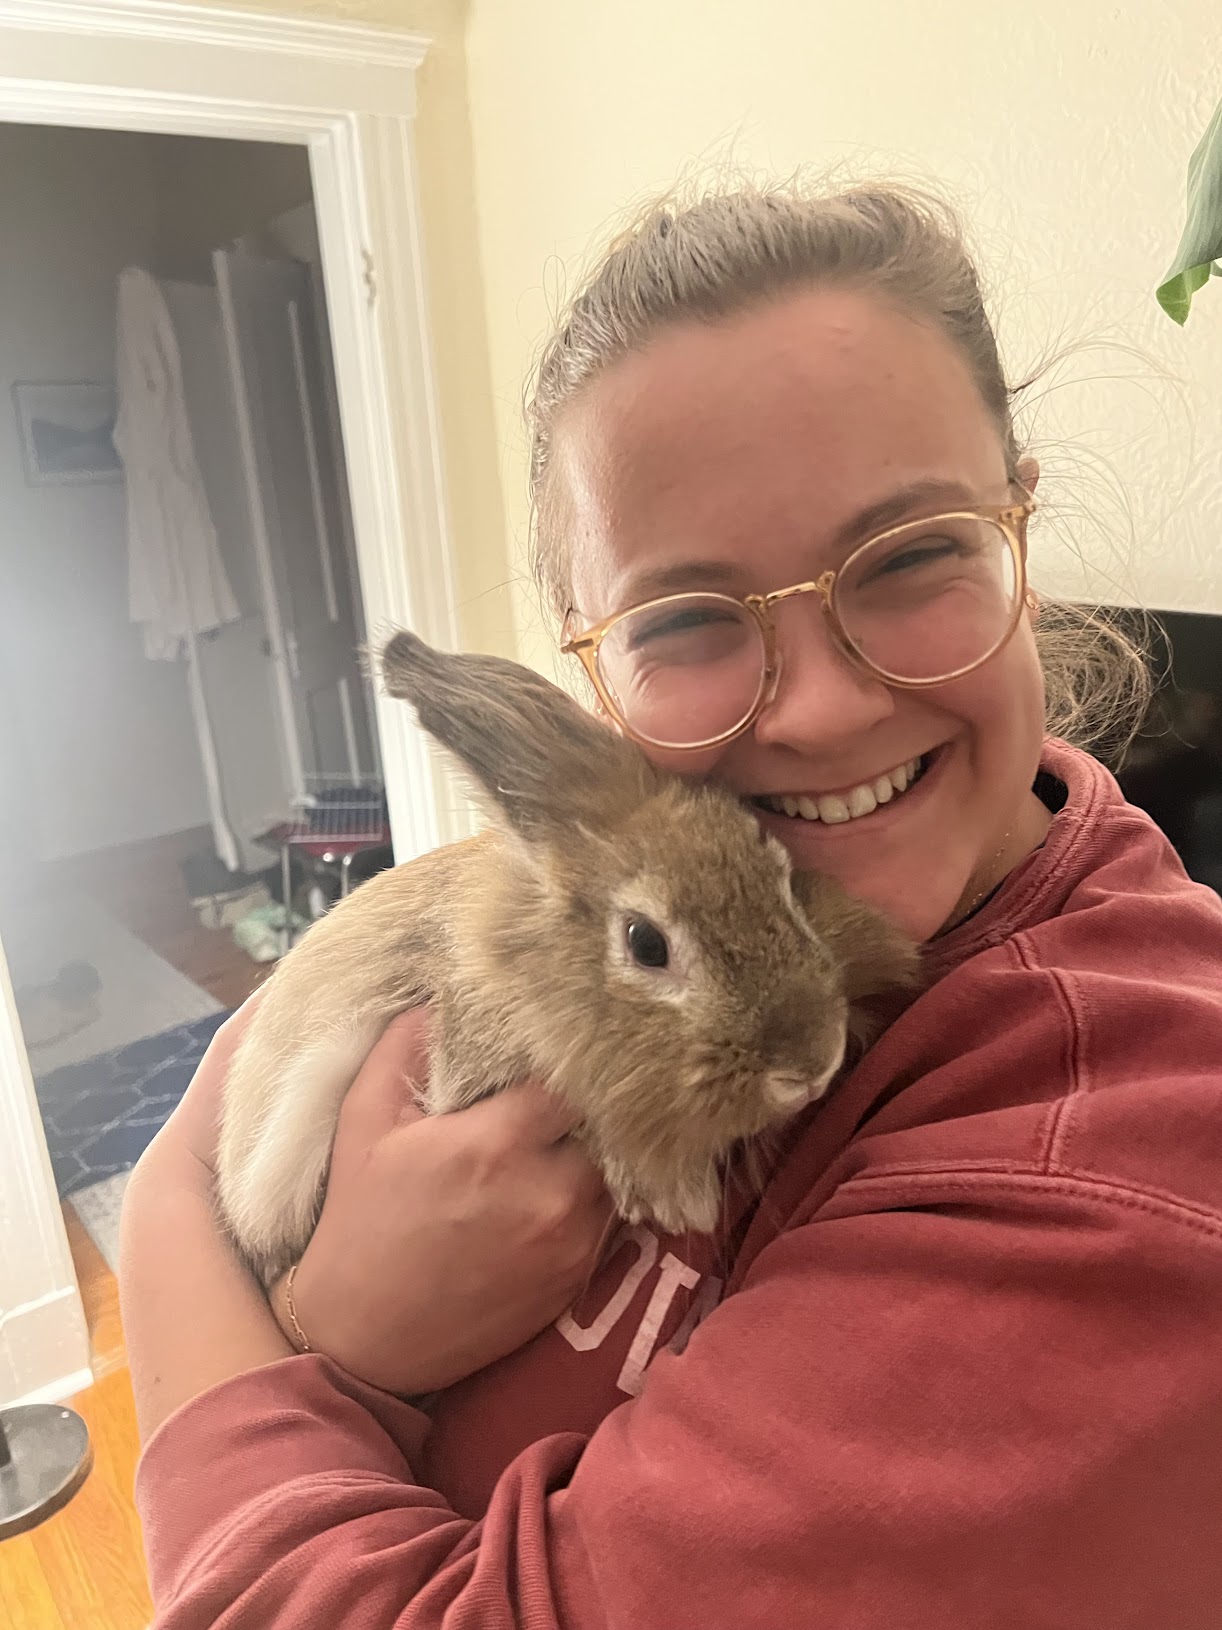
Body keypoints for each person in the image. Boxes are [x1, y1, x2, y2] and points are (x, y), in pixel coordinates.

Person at [121, 179, 1222, 1628]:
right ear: (589, 668)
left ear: (1016, 521)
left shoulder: (1111, 1174)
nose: (823, 709)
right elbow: (200, 1141)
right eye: (688, 620)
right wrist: (278, 1298)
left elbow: (176, 1202)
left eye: (906, 557)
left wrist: (327, 1345)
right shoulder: (688, 858)